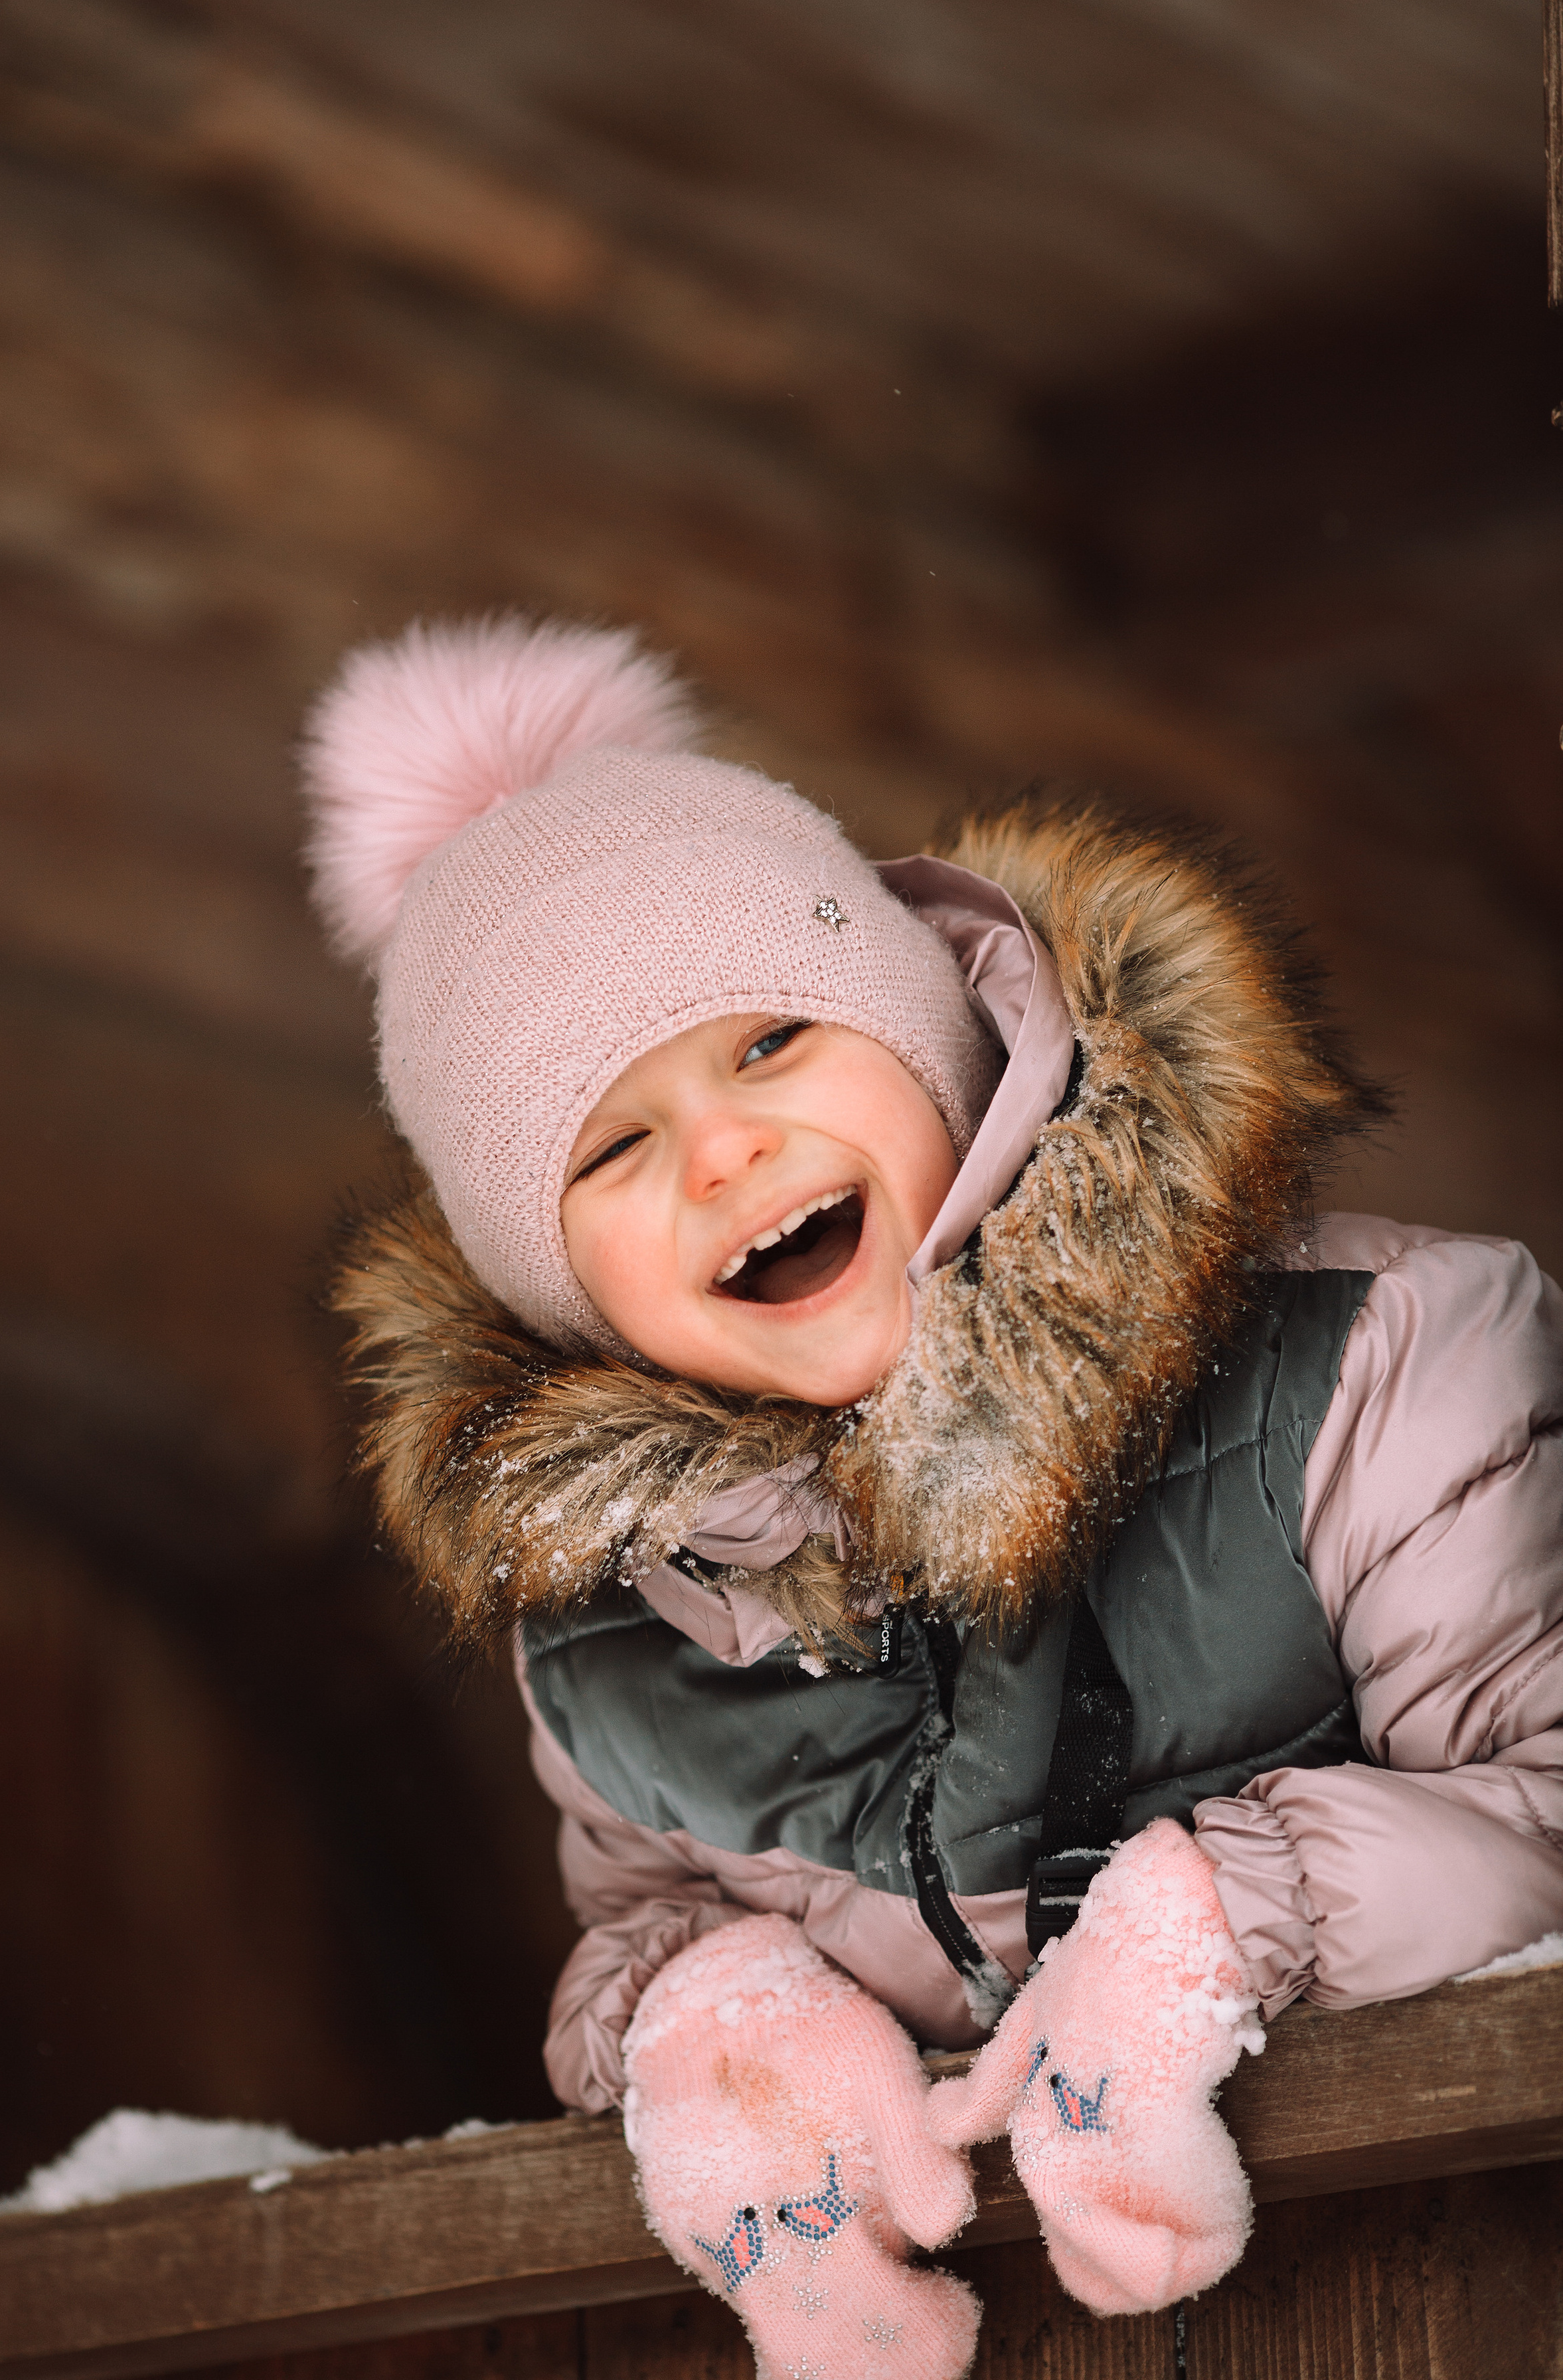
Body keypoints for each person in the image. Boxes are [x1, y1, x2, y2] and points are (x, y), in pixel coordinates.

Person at [305, 614, 1563, 2367]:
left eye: (770, 1042)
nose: (724, 1151)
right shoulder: (613, 1633)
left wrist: (1227, 1921)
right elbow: (642, 1920)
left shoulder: (1374, 1363)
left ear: (933, 1041)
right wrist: (704, 2017)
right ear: (561, 1290)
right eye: (613, 1144)